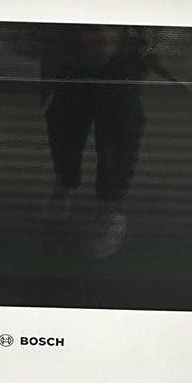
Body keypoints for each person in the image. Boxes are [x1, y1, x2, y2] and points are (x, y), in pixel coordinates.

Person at [41, 24, 147, 260]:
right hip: (70, 36)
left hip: (126, 39)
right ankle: (65, 185)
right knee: (66, 116)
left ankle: (110, 201)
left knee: (119, 122)